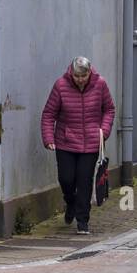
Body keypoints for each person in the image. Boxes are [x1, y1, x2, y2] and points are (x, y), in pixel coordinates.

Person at [41, 56, 115, 237]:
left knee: (84, 181)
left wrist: (103, 131)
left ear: (90, 72)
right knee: (66, 179)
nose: (80, 79)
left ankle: (83, 221)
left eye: (84, 75)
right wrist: (48, 138)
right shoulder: (60, 86)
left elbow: (109, 109)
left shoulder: (100, 84)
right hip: (65, 141)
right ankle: (70, 202)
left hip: (90, 143)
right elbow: (49, 114)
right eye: (77, 76)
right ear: (71, 73)